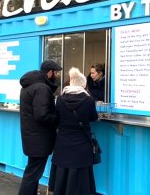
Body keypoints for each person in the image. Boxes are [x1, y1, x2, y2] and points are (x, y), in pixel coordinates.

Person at [48, 67, 98, 195]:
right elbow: (93, 117)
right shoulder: (89, 100)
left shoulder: (59, 99)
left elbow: (56, 118)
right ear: (83, 85)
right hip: (82, 144)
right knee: (80, 175)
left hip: (63, 142)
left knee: (62, 171)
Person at [18, 60, 62, 195]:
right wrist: (57, 119)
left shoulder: (28, 86)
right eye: (56, 73)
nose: (57, 76)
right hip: (39, 138)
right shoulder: (42, 88)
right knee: (33, 173)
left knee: (32, 170)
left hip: (32, 136)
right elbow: (42, 115)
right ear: (50, 72)